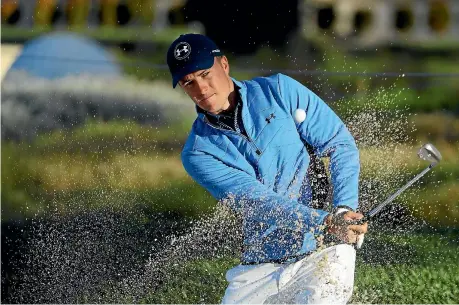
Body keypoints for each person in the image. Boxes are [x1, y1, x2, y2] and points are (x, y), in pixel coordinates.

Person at [166, 33, 368, 304]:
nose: (200, 88)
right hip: (260, 266)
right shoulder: (197, 153)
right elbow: (256, 202)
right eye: (188, 82)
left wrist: (343, 209)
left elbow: (338, 144)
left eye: (205, 73)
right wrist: (326, 222)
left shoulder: (279, 90)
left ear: (224, 64)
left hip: (324, 249)